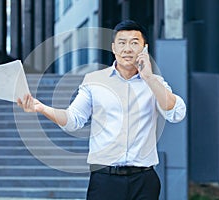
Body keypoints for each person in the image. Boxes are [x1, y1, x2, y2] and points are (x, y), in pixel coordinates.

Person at [17, 20, 186, 200]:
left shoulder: (155, 83)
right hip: (105, 180)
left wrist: (149, 78)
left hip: (144, 180)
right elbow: (73, 120)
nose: (127, 49)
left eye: (134, 43)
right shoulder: (94, 81)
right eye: (122, 43)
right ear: (113, 47)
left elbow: (176, 113)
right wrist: (42, 108)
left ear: (144, 48)